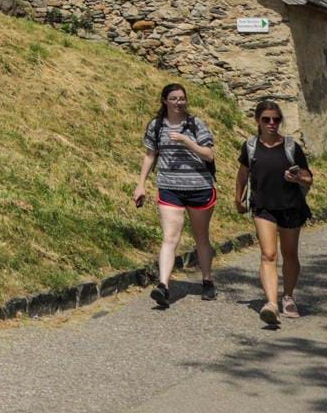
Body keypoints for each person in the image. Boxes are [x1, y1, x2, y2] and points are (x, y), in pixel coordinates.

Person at [132, 82, 217, 306]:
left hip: (199, 188)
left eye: (182, 98)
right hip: (169, 188)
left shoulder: (195, 124)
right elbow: (150, 155)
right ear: (165, 101)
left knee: (201, 238)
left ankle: (207, 280)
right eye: (174, 99)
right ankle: (163, 286)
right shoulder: (156, 126)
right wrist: (141, 184)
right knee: (170, 237)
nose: (179, 102)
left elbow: (209, 155)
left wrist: (187, 142)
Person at [234, 98, 314, 328]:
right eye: (266, 119)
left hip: (291, 206)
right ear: (257, 121)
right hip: (263, 207)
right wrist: (238, 198)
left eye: (276, 120)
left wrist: (297, 177)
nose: (272, 123)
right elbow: (242, 174)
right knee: (268, 255)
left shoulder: (291, 147)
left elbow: (309, 177)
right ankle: (271, 304)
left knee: (289, 255)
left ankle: (287, 296)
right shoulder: (250, 147)